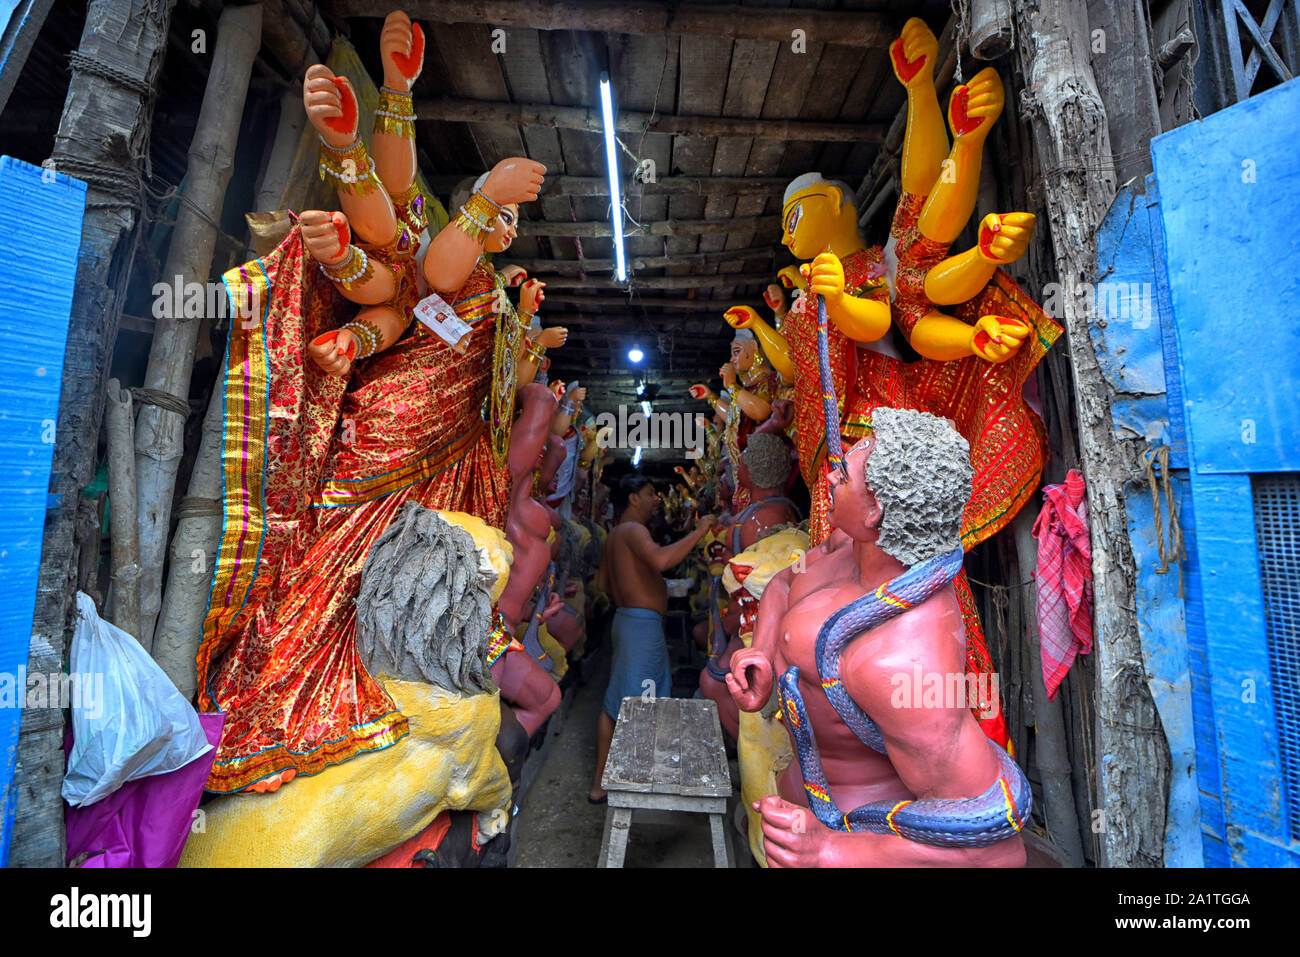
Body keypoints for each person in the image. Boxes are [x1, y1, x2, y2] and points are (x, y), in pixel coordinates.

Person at [589, 474, 717, 802]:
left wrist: (645, 584)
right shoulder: (634, 530)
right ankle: (631, 783)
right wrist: (699, 532)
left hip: (625, 621)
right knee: (643, 704)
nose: (655, 500)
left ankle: (600, 784)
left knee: (614, 702)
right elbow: (661, 559)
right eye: (649, 493)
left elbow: (603, 585)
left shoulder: (615, 535)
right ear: (633, 498)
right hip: (642, 629)